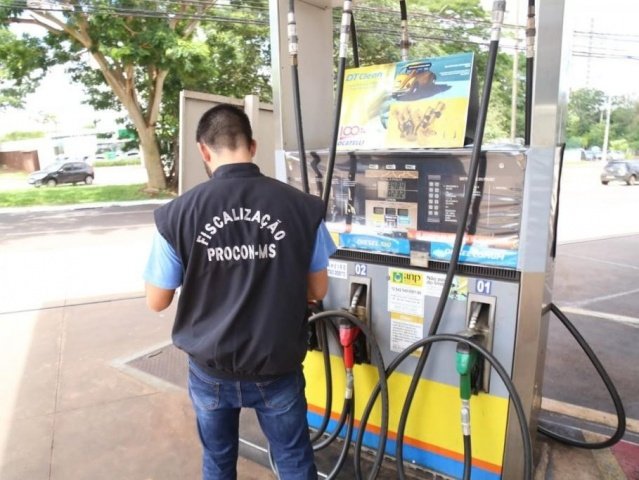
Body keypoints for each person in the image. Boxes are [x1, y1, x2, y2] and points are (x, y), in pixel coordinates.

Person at [143, 103, 336, 480]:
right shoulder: (301, 207)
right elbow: (318, 288)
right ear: (253, 146)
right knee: (294, 460)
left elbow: (157, 301)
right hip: (278, 365)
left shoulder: (177, 214)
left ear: (203, 150)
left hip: (211, 368)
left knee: (218, 461)